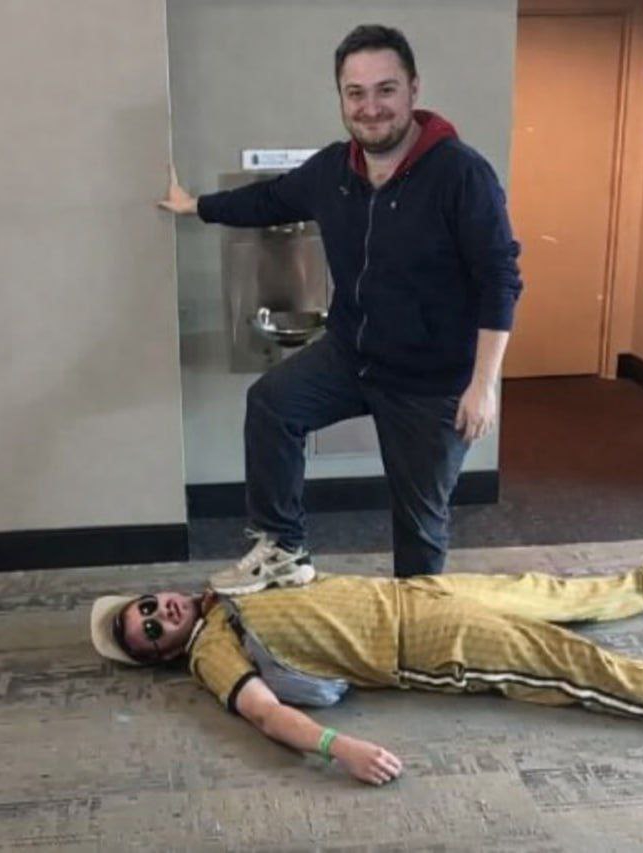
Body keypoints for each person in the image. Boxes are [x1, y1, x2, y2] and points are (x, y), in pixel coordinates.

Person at [89, 516, 643, 786]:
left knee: (548, 590)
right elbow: (263, 713)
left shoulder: (228, 588)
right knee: (578, 666)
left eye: (146, 605)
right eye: (150, 630)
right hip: (425, 642)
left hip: (414, 592)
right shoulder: (212, 650)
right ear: (162, 654)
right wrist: (338, 747)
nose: (159, 614)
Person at [158, 24, 523, 591]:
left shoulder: (461, 174)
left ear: (413, 88)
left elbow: (500, 277)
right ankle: (283, 548)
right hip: (352, 357)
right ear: (342, 98)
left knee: (420, 527)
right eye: (356, 93)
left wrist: (484, 384)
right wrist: (196, 206)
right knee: (272, 404)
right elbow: (267, 199)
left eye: (385, 89)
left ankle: (416, 617)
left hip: (432, 384)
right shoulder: (334, 170)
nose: (370, 107)